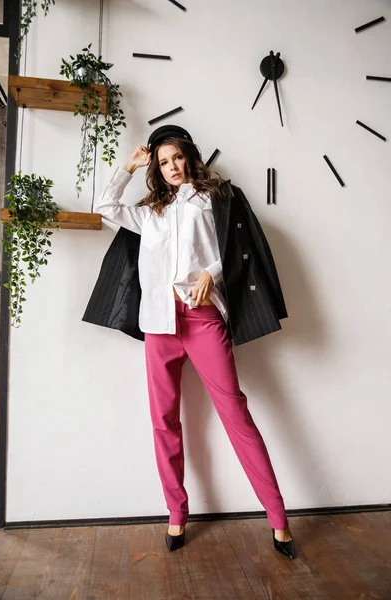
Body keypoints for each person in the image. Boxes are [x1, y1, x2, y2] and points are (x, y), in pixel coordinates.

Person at [89, 124, 296, 559]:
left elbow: (237, 245)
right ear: (156, 168)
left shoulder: (215, 198)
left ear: (189, 156)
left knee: (236, 414)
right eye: (163, 162)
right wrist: (127, 166)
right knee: (164, 423)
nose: (171, 167)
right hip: (159, 326)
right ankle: (177, 512)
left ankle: (278, 518)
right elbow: (105, 205)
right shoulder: (150, 213)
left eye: (177, 158)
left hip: (202, 319)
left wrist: (213, 273)